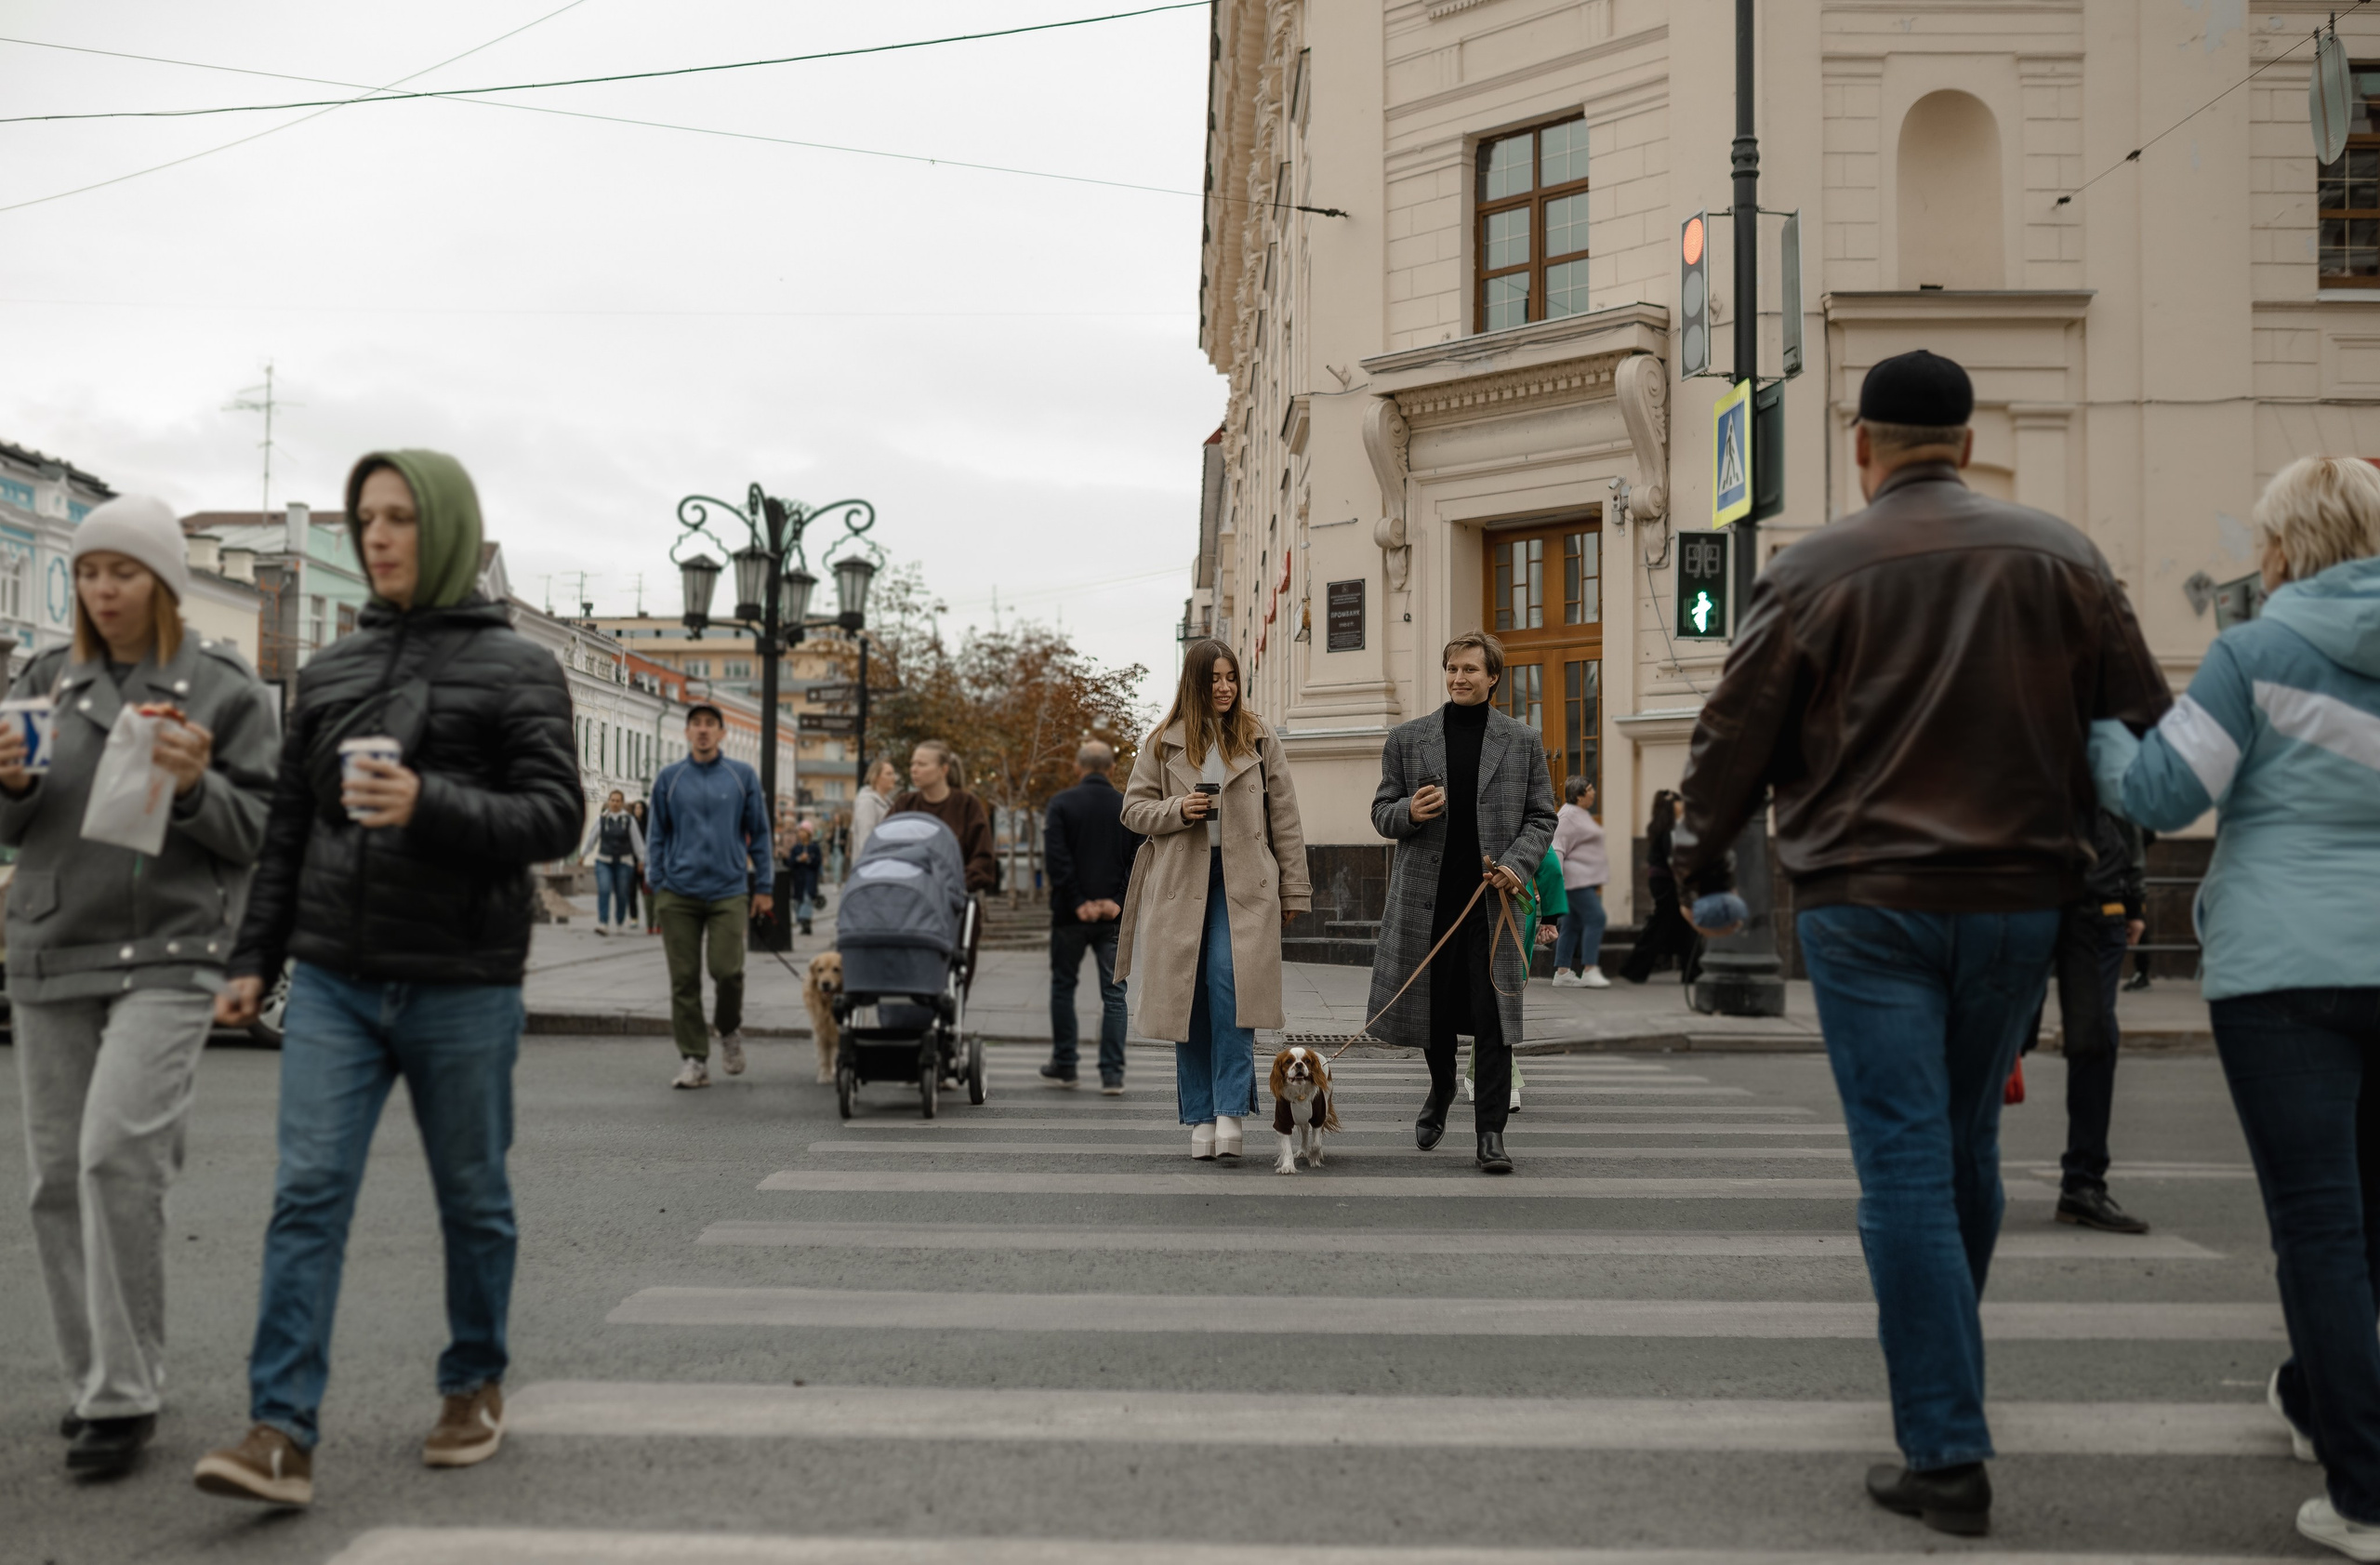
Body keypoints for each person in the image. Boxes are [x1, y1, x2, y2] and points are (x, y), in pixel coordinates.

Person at [1673, 350, 2167, 1537]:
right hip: (2016, 897)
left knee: (1902, 1162)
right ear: (1967, 441)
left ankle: (1944, 1451)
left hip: (1865, 900)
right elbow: (2143, 724)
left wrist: (1695, 866)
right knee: (1963, 1148)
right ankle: (1944, 1367)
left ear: (1861, 444)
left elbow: (1733, 740)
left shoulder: (1812, 569)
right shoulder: (2064, 555)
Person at [194, 450, 581, 1506]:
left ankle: (472, 1384)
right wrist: (252, 960)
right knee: (307, 1195)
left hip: (461, 978)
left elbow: (556, 816)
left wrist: (428, 802)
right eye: (365, 518)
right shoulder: (330, 673)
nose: (376, 536)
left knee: (472, 1196)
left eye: (400, 517)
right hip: (334, 978)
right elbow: (286, 831)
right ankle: (280, 1430)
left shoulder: (519, 669)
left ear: (444, 528)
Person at [2094, 455, 2380, 1559]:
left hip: (2283, 975)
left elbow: (2164, 794)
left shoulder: (2252, 654)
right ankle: (2315, 1398)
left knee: (2319, 1225)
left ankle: (2364, 1496)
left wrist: (2102, 729)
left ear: (2283, 548)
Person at [0, 497, 278, 1478]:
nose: (102, 589)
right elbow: (12, 829)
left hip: (170, 948)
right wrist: (10, 786)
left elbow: (261, 828)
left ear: (161, 581)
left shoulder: (221, 687)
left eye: (121, 571)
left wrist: (198, 785)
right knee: (54, 1179)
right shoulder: (44, 679)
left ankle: (125, 1394)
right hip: (51, 946)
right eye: (88, 572)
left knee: (117, 1153)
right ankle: (95, 1382)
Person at [1365, 630, 1559, 1174]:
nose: (1459, 678)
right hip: (1427, 902)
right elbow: (1381, 812)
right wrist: (1409, 811)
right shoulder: (1409, 738)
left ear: (1493, 677)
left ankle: (1490, 1133)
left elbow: (1542, 816)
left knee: (1495, 1017)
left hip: (1494, 905)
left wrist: (1516, 864)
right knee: (1435, 1011)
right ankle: (1442, 1087)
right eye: (1452, 668)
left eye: (1470, 669)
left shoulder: (1521, 741)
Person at [1116, 639, 1308, 1160]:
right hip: (1181, 881)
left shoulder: (1259, 735)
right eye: (1214, 679)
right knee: (1189, 995)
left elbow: (1285, 816)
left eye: (1231, 678)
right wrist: (1178, 809)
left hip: (1244, 881)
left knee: (1229, 984)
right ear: (1194, 684)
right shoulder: (1162, 741)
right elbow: (1133, 810)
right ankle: (1201, 1116)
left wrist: (1294, 887)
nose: (1224, 688)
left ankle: (1230, 1111)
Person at [2032, 807, 2150, 1236]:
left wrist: (2133, 899)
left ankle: (2083, 1183)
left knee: (2095, 1038)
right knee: (1995, 1037)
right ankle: (1960, 1173)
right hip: (2021, 893)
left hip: (2096, 900)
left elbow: (2125, 804)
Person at [645, 705, 774, 1090]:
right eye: (696, 724)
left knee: (727, 971)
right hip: (677, 893)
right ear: (687, 732)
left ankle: (729, 1030)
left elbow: (760, 833)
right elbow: (656, 834)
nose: (703, 731)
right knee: (684, 980)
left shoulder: (741, 775)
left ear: (721, 733)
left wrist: (764, 887)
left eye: (710, 725)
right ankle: (694, 1059)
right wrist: (657, 881)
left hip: (727, 891)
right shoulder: (670, 778)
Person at [1042, 739, 1143, 1094]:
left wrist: (1078, 901)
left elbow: (1056, 858)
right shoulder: (1126, 807)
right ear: (1112, 769)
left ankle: (1066, 1065)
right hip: (1112, 918)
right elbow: (1139, 859)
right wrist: (1117, 901)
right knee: (1114, 994)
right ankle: (1112, 1075)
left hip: (1070, 916)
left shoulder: (1061, 804)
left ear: (1077, 767)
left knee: (1063, 987)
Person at [890, 740, 996, 895]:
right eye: (913, 764)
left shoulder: (967, 805)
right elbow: (885, 845)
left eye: (922, 764)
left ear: (943, 770)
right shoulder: (904, 804)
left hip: (954, 899)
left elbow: (983, 858)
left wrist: (956, 884)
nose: (914, 769)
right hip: (909, 898)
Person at [1622, 790, 1699, 985]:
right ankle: (1634, 969)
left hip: (1663, 880)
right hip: (1667, 882)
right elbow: (1674, 859)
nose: (1682, 805)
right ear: (1671, 806)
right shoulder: (1669, 828)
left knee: (1682, 924)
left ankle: (1692, 971)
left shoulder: (1664, 826)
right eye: (1679, 802)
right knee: (1662, 924)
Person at [1550, 776, 1611, 988]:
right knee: (1596, 917)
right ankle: (1590, 970)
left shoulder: (1579, 814)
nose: (1594, 792)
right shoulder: (1567, 816)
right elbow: (1557, 849)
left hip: (1582, 880)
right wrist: (1556, 884)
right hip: (1574, 882)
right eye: (1590, 789)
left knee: (1571, 923)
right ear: (1579, 795)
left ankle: (1562, 972)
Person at [581, 789, 644, 935]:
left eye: (618, 801)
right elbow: (591, 838)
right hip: (604, 860)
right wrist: (583, 854)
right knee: (604, 889)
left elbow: (637, 841)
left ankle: (620, 921)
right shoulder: (601, 819)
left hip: (624, 862)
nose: (615, 803)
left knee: (622, 893)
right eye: (613, 800)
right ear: (609, 801)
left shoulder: (629, 820)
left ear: (622, 803)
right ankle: (603, 923)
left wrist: (642, 859)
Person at [850, 755, 898, 861]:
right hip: (872, 864)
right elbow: (865, 838)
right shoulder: (867, 802)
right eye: (888, 774)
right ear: (876, 777)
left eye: (893, 773)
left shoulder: (888, 803)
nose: (893, 777)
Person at [787, 818, 825, 936]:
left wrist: (808, 859)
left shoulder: (814, 848)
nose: (800, 833)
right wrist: (799, 859)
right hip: (798, 880)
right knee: (797, 903)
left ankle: (806, 922)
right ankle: (803, 921)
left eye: (803, 831)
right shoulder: (796, 849)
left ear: (809, 833)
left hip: (810, 879)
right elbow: (790, 862)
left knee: (807, 899)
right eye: (800, 831)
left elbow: (818, 862)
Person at [628, 800, 654, 931]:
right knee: (631, 892)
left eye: (640, 808)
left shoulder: (649, 825)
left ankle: (650, 918)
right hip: (631, 862)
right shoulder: (630, 824)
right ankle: (634, 917)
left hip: (646, 863)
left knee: (647, 892)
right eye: (636, 808)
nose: (638, 811)